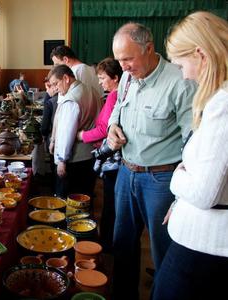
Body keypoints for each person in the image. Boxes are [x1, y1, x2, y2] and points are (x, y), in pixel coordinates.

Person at [107, 23, 196, 299]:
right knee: (122, 246)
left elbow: (193, 141)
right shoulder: (127, 78)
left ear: (149, 49)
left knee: (164, 253)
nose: (123, 67)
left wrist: (183, 197)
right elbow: (116, 113)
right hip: (125, 173)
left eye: (128, 59)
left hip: (161, 180)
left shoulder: (180, 81)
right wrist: (112, 129)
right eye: (119, 60)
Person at [152, 11, 228, 300]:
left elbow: (204, 192)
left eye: (181, 64)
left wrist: (176, 176)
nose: (182, 73)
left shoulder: (222, 105)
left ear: (201, 54)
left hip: (205, 243)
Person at [77, 57, 123, 252]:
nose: (100, 82)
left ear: (116, 78)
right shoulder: (116, 94)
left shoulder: (114, 96)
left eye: (103, 78)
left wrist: (82, 135)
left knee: (110, 204)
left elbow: (105, 129)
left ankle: (106, 244)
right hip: (118, 158)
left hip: (113, 159)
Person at [48, 64, 96, 199]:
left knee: (67, 201)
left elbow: (66, 133)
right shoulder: (91, 90)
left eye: (56, 84)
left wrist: (62, 160)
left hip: (74, 158)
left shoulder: (71, 99)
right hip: (90, 154)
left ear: (66, 78)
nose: (55, 88)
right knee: (85, 198)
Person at [40, 78, 59, 177]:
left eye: (48, 87)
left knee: (54, 164)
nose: (47, 90)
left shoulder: (50, 102)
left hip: (53, 138)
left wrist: (43, 135)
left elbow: (45, 125)